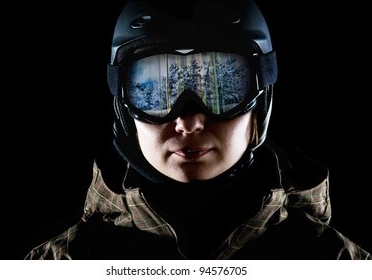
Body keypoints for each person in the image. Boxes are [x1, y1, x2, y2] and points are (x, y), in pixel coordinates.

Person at [25, 0, 371, 260]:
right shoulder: (58, 263)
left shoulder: (336, 260)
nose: (189, 122)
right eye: (156, 91)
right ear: (125, 108)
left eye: (223, 86)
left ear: (260, 104)